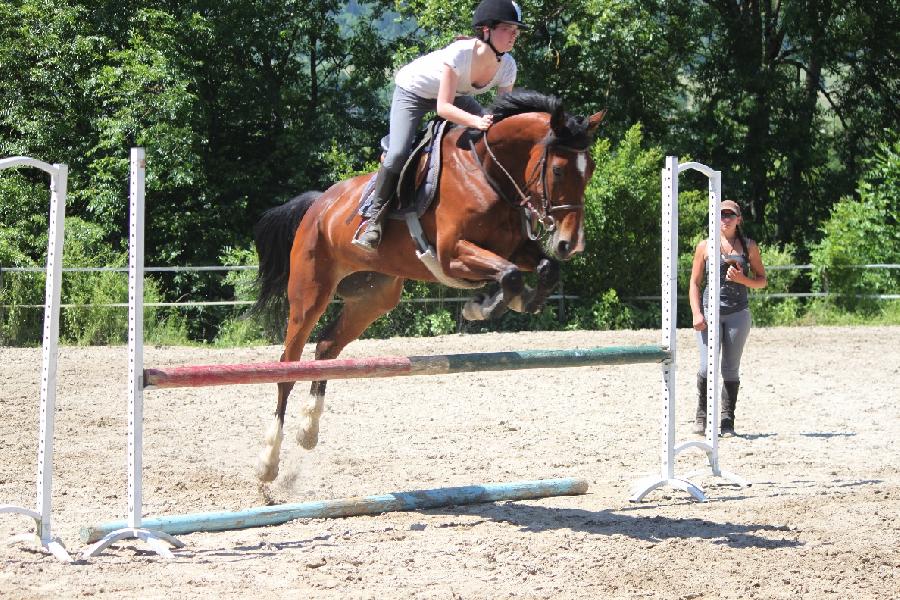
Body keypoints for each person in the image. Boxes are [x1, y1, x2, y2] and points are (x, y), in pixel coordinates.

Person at [353, 0, 527, 251]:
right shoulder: (460, 54)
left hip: (454, 94)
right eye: (508, 29)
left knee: (492, 139)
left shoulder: (508, 66)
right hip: (414, 93)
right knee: (399, 152)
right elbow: (443, 108)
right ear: (486, 30)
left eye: (516, 31)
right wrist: (477, 121)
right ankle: (373, 219)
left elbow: (500, 115)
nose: (514, 35)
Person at [689, 199, 768, 436]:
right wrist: (696, 312)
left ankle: (727, 421)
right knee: (705, 366)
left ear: (738, 219)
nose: (725, 219)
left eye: (730, 215)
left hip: (738, 313)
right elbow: (694, 282)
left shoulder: (749, 246)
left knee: (730, 369)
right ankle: (702, 415)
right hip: (709, 313)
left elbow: (762, 280)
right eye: (721, 215)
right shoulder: (704, 246)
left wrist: (743, 280)